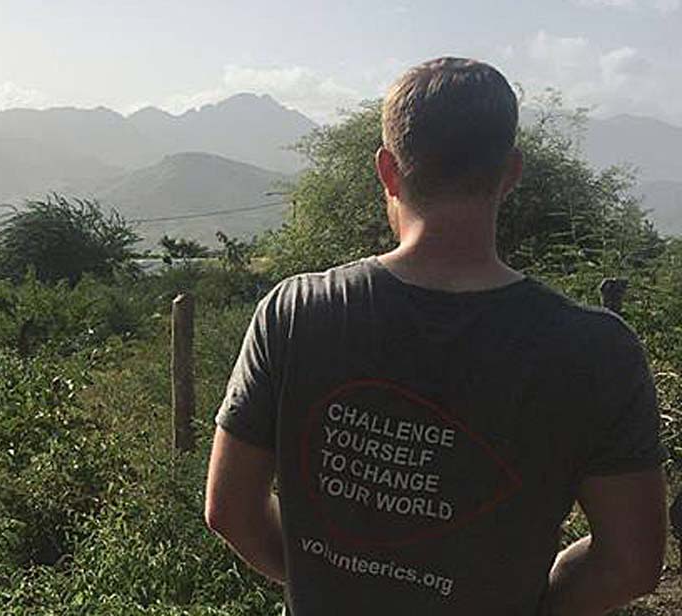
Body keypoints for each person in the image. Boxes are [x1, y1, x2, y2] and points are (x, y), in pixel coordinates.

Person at [204, 57, 667, 616]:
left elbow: (230, 510)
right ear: (511, 172)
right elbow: (633, 562)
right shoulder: (598, 351)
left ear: (387, 171)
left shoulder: (297, 311)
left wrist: (324, 582)